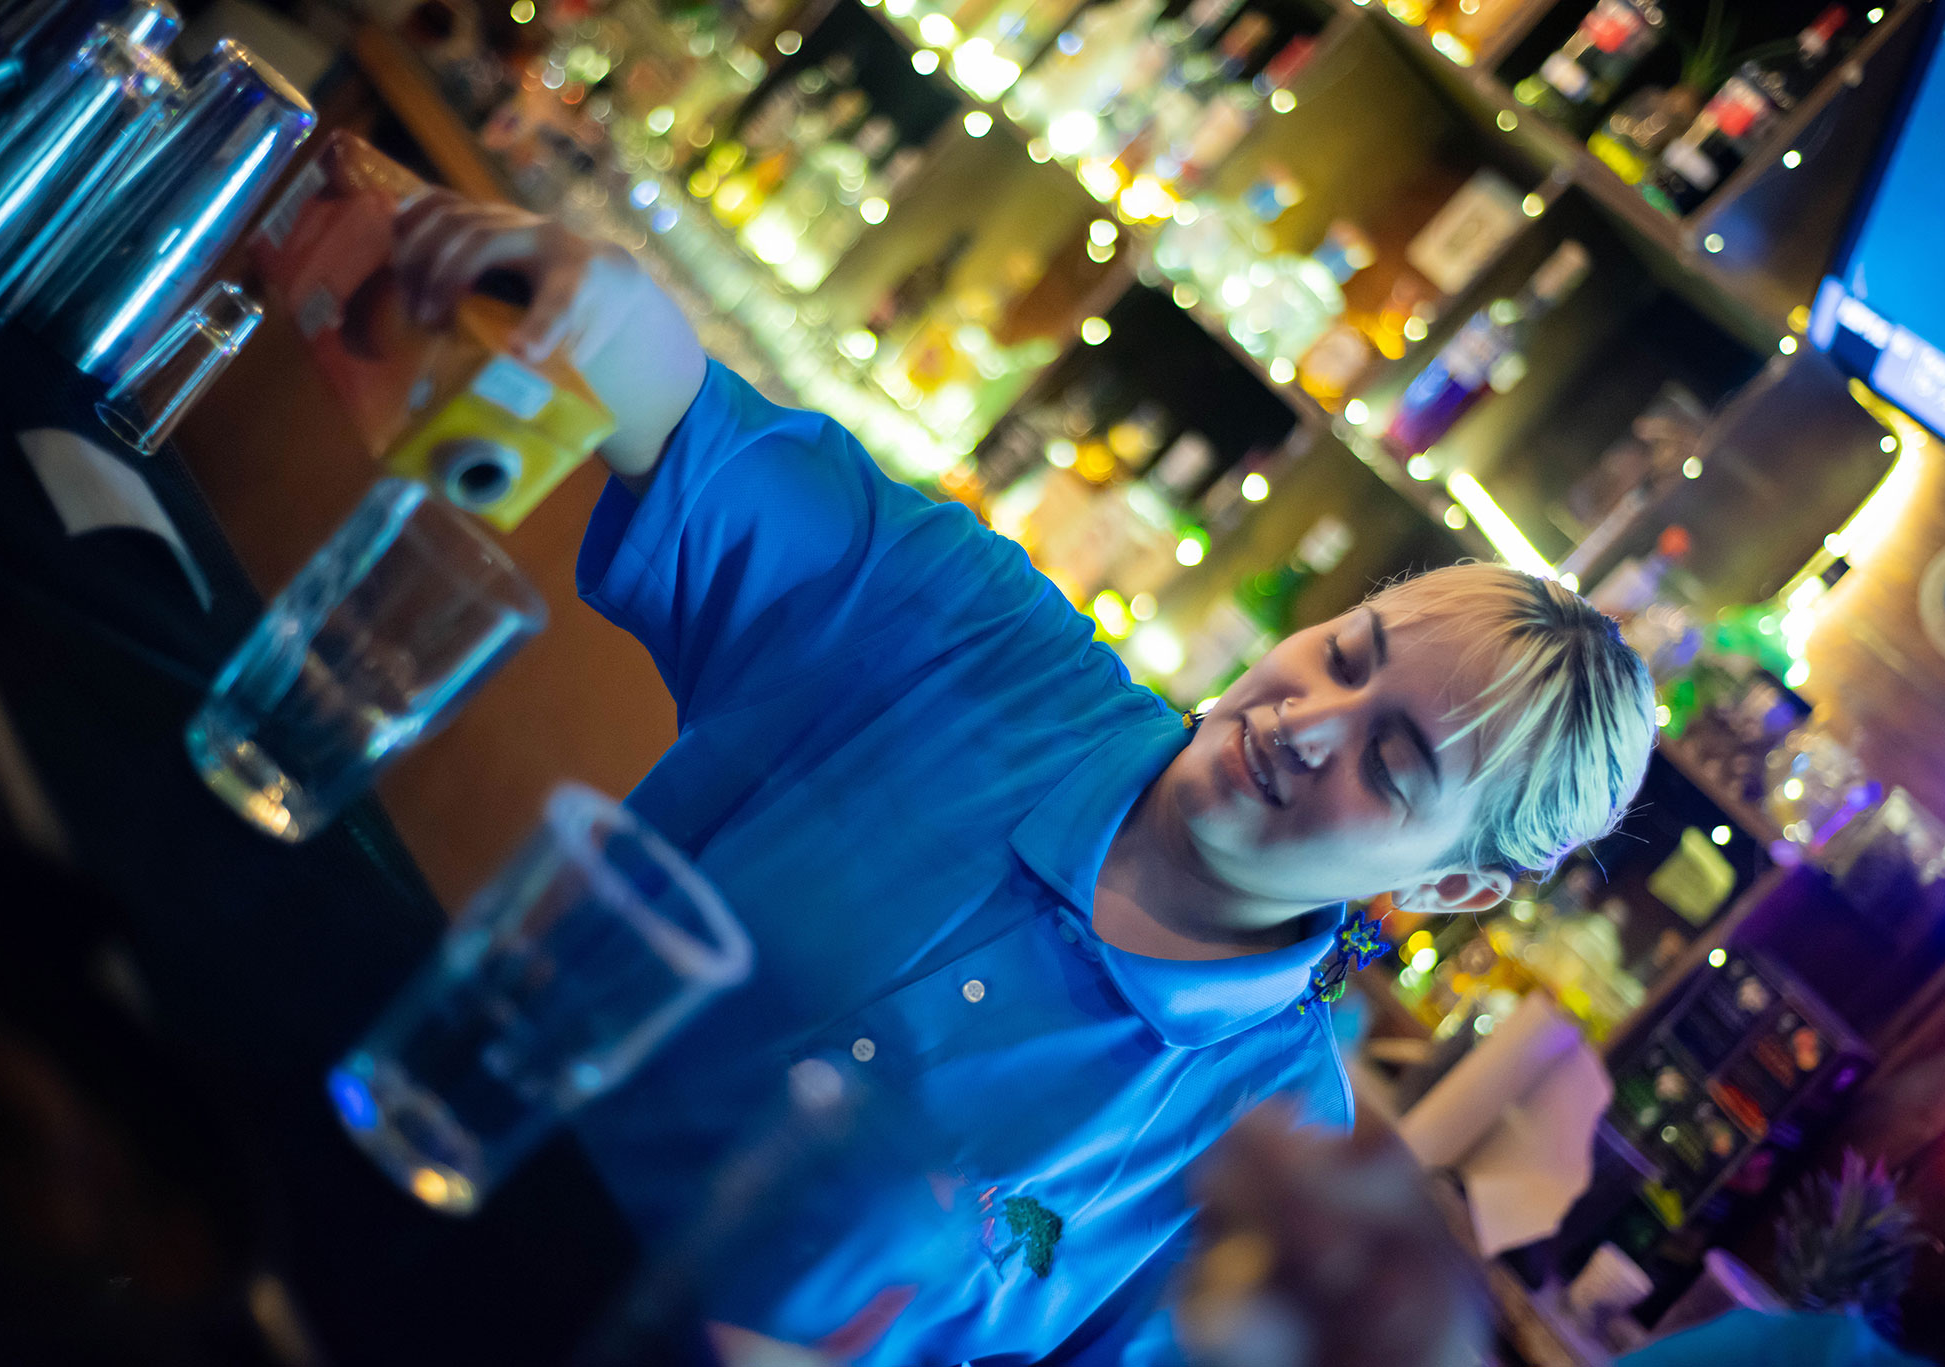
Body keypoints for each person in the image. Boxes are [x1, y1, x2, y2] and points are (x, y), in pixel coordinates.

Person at [389, 190, 1659, 1366]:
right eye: (1342, 654)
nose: (1306, 721)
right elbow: (704, 442)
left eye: (1388, 761)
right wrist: (595, 310)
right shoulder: (976, 641)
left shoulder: (1264, 1158)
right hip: (404, 1170)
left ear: (1450, 883)